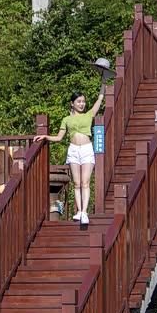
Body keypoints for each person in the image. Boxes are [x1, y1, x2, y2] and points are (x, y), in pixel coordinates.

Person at [35, 89, 104, 224]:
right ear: (72, 103)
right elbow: (59, 137)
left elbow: (99, 100)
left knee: (85, 182)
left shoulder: (89, 114)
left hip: (86, 149)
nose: (82, 104)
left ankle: (84, 211)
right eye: (79, 101)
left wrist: (103, 84)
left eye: (83, 101)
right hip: (73, 150)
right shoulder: (66, 119)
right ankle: (79, 211)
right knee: (77, 183)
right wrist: (45, 136)